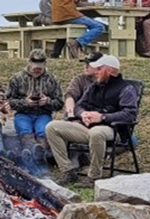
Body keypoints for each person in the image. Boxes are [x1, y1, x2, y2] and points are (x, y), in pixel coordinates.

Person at [45, 54, 139, 184]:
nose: (96, 72)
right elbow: (78, 106)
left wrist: (102, 117)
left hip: (113, 130)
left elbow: (130, 114)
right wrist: (83, 114)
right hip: (87, 128)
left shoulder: (126, 89)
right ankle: (67, 171)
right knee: (52, 127)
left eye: (99, 69)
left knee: (97, 133)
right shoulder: (94, 87)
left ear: (110, 70)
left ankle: (94, 176)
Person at [7, 50, 64, 163]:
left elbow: (59, 103)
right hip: (23, 113)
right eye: (34, 63)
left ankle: (39, 154)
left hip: (43, 113)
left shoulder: (52, 79)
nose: (37, 67)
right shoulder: (17, 78)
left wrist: (47, 101)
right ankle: (34, 152)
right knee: (25, 130)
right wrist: (24, 102)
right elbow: (9, 101)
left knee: (42, 131)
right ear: (29, 62)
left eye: (40, 64)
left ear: (45, 63)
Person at [63, 51, 102, 120]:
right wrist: (70, 111)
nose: (86, 67)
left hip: (98, 117)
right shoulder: (79, 79)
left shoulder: (107, 81)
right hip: (79, 116)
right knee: (52, 127)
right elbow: (70, 95)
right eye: (85, 64)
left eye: (90, 64)